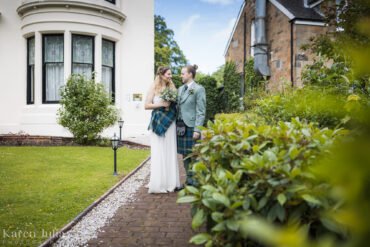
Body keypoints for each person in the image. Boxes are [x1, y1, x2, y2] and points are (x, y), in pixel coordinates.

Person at [145, 66, 181, 193]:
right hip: (157, 122)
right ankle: (159, 182)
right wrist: (162, 104)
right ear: (161, 75)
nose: (170, 76)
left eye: (171, 74)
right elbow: (147, 105)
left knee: (170, 150)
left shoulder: (172, 87)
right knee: (159, 150)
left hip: (170, 123)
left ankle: (171, 182)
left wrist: (170, 104)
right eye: (168, 74)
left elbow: (176, 103)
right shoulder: (153, 87)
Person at [175, 64, 206, 190]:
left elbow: (201, 111)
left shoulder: (199, 89)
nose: (181, 76)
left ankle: (196, 182)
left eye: (183, 73)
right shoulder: (180, 89)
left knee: (193, 155)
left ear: (190, 74)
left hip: (191, 126)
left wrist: (197, 129)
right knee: (184, 155)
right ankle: (189, 181)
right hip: (180, 126)